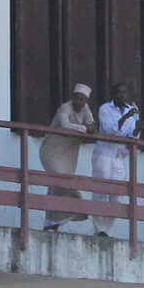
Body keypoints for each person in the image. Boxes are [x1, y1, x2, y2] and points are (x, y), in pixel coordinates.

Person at [40, 82, 97, 230]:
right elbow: (65, 125)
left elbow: (93, 125)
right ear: (72, 98)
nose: (79, 102)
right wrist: (85, 128)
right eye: (77, 99)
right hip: (51, 150)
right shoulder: (65, 108)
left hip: (69, 152)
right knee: (61, 180)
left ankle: (51, 223)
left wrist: (88, 127)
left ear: (86, 101)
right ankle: (79, 207)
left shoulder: (85, 109)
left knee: (55, 186)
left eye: (82, 100)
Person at [93, 82, 143, 234]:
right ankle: (99, 230)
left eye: (124, 93)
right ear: (113, 94)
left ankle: (105, 229)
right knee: (101, 191)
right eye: (119, 93)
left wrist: (138, 128)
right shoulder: (105, 109)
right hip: (103, 154)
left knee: (118, 194)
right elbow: (110, 131)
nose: (122, 96)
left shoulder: (131, 110)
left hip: (119, 156)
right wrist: (125, 118)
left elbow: (132, 136)